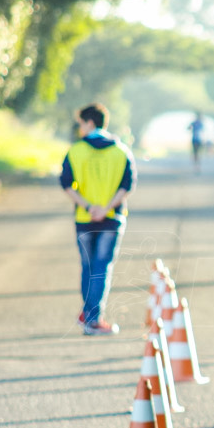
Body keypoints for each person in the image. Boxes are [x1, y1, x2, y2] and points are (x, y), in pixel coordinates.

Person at [60, 103, 137, 336]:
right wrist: (105, 208)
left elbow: (66, 183)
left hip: (84, 218)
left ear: (90, 123)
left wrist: (88, 206)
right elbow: (127, 185)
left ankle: (89, 315)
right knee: (101, 268)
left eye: (82, 124)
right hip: (111, 219)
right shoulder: (121, 151)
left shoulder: (75, 151)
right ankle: (93, 319)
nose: (80, 128)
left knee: (88, 266)